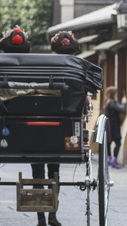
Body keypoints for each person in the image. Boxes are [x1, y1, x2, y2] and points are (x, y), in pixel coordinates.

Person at [29, 31, 81, 226]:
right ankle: (51, 215)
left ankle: (41, 217)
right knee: (54, 171)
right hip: (61, 126)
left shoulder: (39, 65)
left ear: (53, 48)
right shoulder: (76, 67)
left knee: (37, 172)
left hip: (31, 126)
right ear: (72, 49)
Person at [103, 86, 127, 169]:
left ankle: (109, 158)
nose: (117, 94)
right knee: (118, 142)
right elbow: (121, 109)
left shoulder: (107, 102)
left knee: (109, 142)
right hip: (114, 126)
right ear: (113, 94)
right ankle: (113, 160)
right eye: (116, 93)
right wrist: (124, 102)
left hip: (109, 125)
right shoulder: (112, 102)